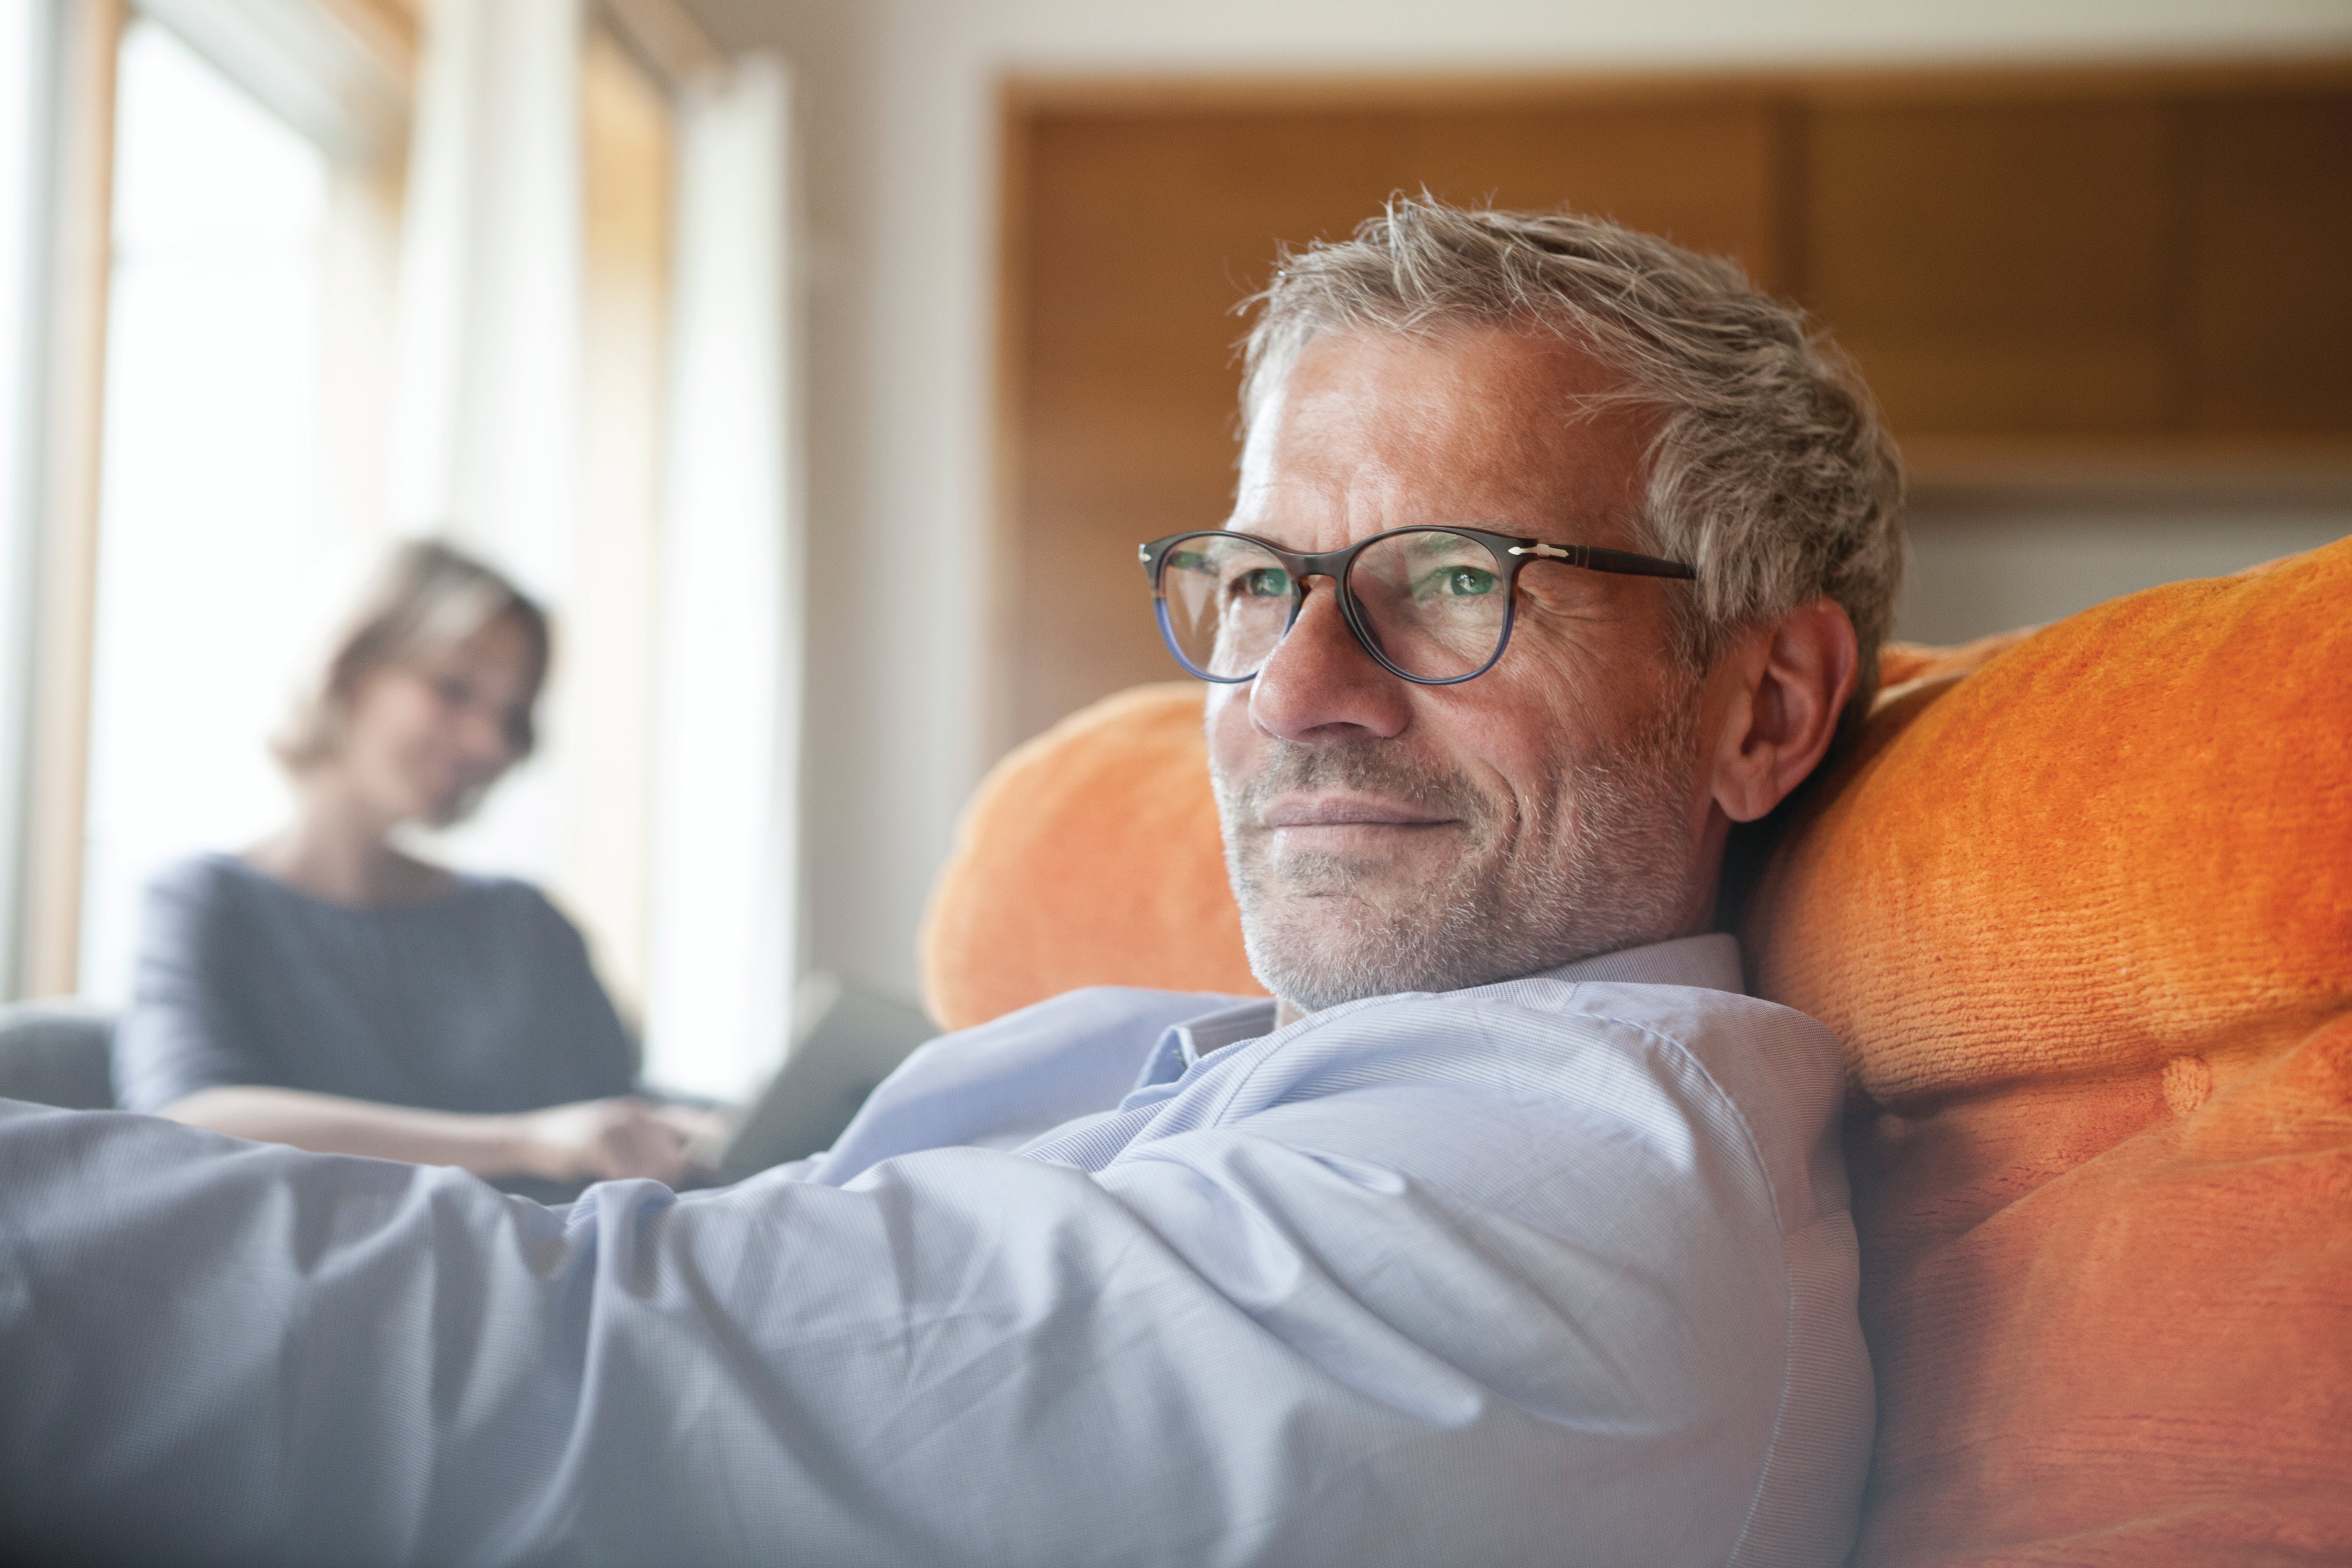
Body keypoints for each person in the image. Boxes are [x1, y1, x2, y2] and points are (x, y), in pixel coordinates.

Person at [0, 201, 1902, 1565]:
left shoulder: (1556, 1217)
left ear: (1766, 704)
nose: (1291, 694)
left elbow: (587, 1372)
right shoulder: (1371, 1081)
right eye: (1257, 580)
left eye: (1455, 583)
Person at [109, 539, 716, 1186]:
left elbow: (618, 1119)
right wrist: (524, 1142)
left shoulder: (526, 922)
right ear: (350, 668)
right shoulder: (207, 900)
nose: (489, 742)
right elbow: (189, 1120)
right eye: (455, 689)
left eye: (510, 716)